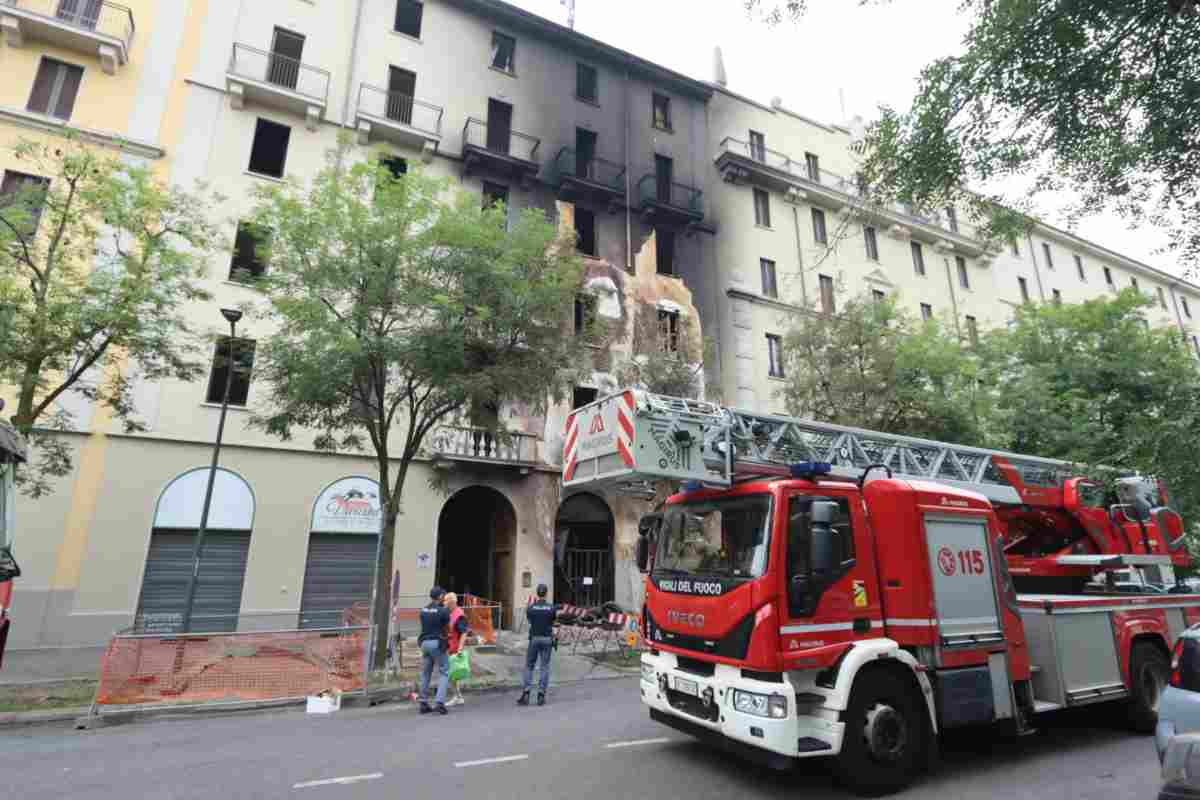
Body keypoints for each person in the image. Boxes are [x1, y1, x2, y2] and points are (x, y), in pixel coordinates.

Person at [518, 583, 555, 707]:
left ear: (537, 593)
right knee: (544, 667)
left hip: (534, 638)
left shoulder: (531, 608)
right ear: (546, 593)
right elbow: (552, 621)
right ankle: (541, 695)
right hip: (547, 639)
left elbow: (530, 621)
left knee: (529, 666)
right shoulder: (551, 608)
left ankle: (526, 693)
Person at [417, 586, 451, 715]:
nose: (444, 597)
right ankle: (439, 703)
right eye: (443, 595)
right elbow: (447, 628)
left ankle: (423, 703)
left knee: (426, 673)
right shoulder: (443, 611)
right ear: (440, 596)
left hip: (424, 643)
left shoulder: (423, 610)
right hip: (437, 643)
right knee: (444, 671)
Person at [444, 592, 470, 706]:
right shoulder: (452, 613)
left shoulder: (458, 615)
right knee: (452, 674)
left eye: (446, 601)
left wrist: (459, 649)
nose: (444, 603)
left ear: (451, 602)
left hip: (454, 648)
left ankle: (457, 696)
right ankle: (458, 696)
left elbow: (464, 632)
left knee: (451, 674)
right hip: (450, 646)